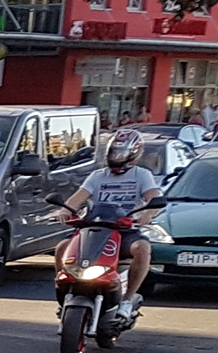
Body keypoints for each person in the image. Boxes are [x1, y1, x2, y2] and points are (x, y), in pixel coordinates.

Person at [62, 128, 162, 317]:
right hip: (94, 228)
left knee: (142, 248)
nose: (116, 157)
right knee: (62, 247)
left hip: (124, 229)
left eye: (121, 153)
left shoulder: (142, 175)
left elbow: (153, 198)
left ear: (134, 154)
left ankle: (127, 299)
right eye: (113, 152)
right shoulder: (97, 176)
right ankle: (66, 292)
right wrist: (64, 210)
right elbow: (75, 200)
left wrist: (147, 214)